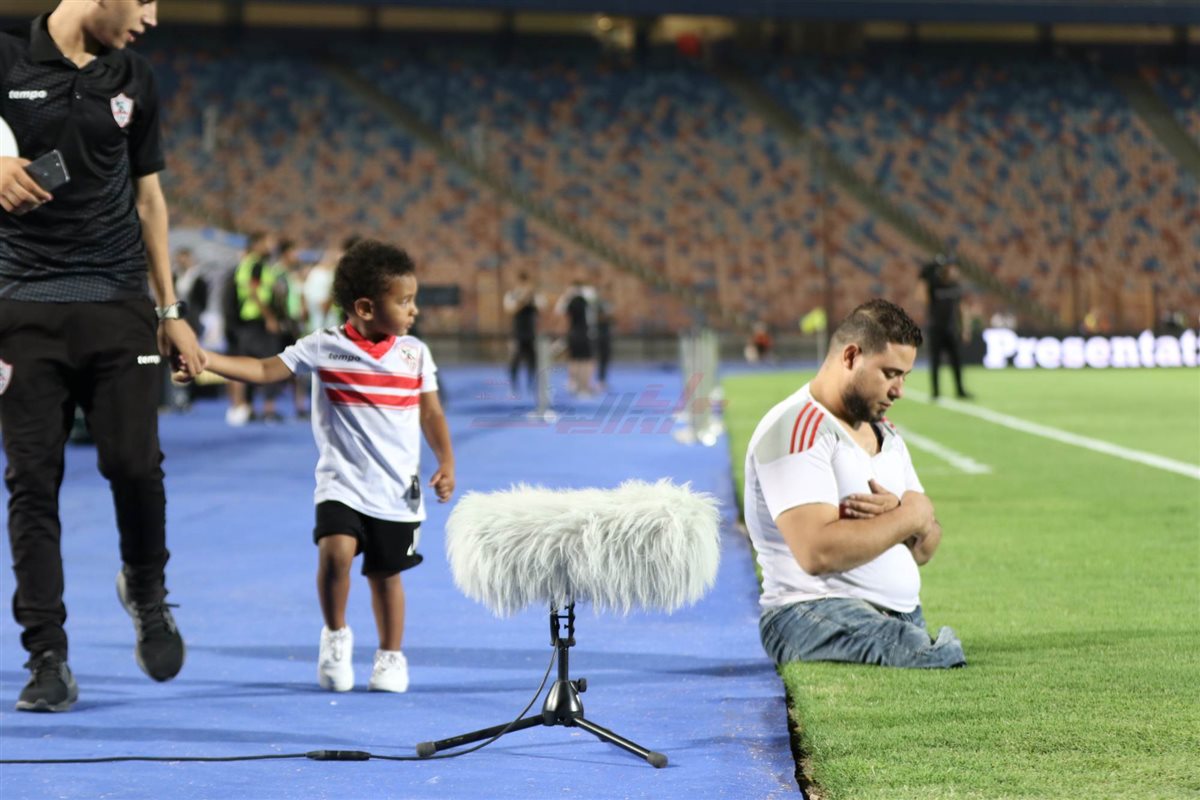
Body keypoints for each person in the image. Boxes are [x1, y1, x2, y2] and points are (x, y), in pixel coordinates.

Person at [0, 0, 202, 712]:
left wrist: (170, 312)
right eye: (142, 0)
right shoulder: (6, 59)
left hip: (118, 303)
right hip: (22, 307)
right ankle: (47, 657)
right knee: (32, 483)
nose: (151, 17)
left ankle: (145, 589)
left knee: (135, 465)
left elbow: (150, 199)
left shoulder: (133, 76)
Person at [185, 240, 455, 692]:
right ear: (365, 307)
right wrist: (205, 359)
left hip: (396, 491)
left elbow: (431, 413)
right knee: (335, 555)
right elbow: (264, 370)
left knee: (386, 575)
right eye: (404, 301)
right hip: (340, 483)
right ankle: (335, 635)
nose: (414, 310)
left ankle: (390, 656)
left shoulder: (415, 354)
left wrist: (446, 460)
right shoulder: (324, 346)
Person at [744, 299, 965, 669]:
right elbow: (817, 554)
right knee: (938, 656)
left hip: (899, 614)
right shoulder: (796, 428)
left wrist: (911, 515)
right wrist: (911, 516)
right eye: (890, 374)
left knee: (923, 648)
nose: (899, 390)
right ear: (850, 356)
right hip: (807, 613)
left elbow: (925, 548)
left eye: (905, 376)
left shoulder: (886, 433)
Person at [919, 254, 972, 400]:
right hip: (935, 328)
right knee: (935, 361)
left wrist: (965, 328)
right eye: (951, 268)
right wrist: (926, 275)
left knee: (956, 361)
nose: (954, 271)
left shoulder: (955, 286)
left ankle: (960, 390)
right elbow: (921, 297)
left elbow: (962, 308)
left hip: (951, 329)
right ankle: (935, 392)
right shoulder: (934, 285)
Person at [502, 271, 544, 396]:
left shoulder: (534, 295)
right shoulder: (512, 295)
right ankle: (514, 386)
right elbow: (509, 310)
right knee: (514, 360)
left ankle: (531, 384)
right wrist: (522, 301)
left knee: (533, 360)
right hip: (517, 333)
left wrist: (531, 298)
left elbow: (542, 307)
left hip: (531, 333)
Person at [555, 277, 595, 396]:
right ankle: (584, 387)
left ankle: (575, 384)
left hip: (573, 333)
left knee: (574, 359)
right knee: (585, 360)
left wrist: (567, 294)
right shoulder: (586, 299)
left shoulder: (571, 300)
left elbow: (558, 310)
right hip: (584, 333)